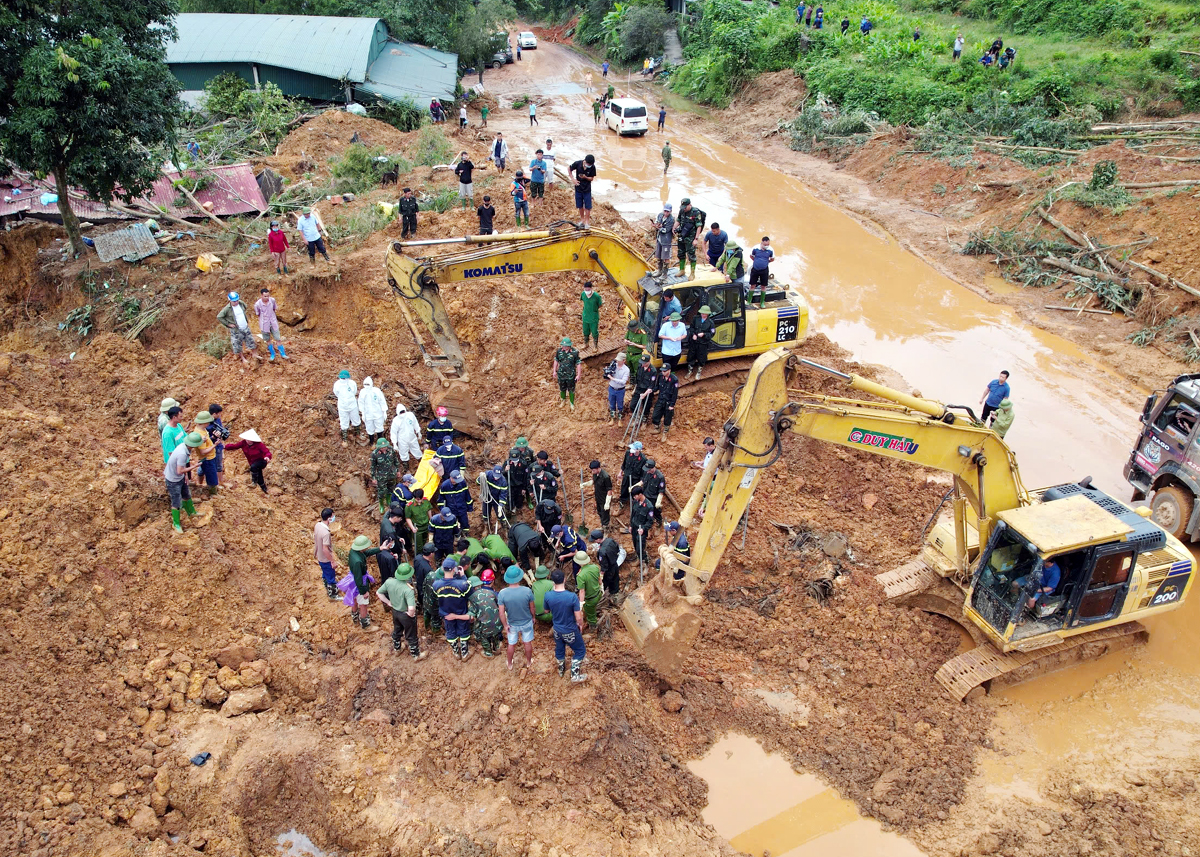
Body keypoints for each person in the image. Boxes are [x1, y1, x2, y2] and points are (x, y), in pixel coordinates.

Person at [544, 570, 588, 681]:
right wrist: (580, 625)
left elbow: (546, 611)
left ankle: (561, 670)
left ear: (552, 581)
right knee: (580, 650)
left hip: (557, 630)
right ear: (564, 579)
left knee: (560, 649)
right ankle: (574, 674)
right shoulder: (572, 597)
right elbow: (578, 617)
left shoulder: (548, 595)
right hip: (570, 629)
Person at [378, 563, 426, 660]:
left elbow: (378, 593)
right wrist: (410, 615)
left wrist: (388, 602)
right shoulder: (408, 590)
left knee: (397, 630)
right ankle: (416, 655)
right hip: (405, 614)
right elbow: (411, 608)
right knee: (411, 635)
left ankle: (397, 649)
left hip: (395, 612)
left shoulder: (389, 582)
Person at [497, 565, 536, 669]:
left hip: (512, 623)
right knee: (527, 643)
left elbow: (501, 613)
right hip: (526, 622)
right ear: (519, 577)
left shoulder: (502, 593)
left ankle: (509, 664)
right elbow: (532, 607)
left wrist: (505, 625)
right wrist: (533, 617)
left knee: (511, 644)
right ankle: (528, 662)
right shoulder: (527, 591)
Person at [434, 559, 474, 659]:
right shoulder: (462, 584)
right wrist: (463, 576)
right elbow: (471, 593)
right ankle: (464, 654)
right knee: (463, 631)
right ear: (453, 570)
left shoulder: (436, 585)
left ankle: (456, 652)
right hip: (461, 613)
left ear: (443, 569)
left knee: (450, 632)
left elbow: (436, 597)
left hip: (446, 614)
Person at [165, 432, 202, 534]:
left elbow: (181, 468)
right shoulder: (182, 453)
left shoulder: (184, 447)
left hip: (180, 476)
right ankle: (176, 523)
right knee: (176, 501)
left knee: (186, 494)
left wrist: (185, 475)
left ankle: (191, 512)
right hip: (173, 479)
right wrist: (194, 467)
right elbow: (179, 470)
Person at [218, 291, 261, 367]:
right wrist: (228, 324)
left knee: (250, 340)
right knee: (238, 344)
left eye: (237, 300)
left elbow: (245, 307)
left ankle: (254, 354)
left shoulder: (241, 303)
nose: (236, 302)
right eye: (234, 301)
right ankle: (243, 358)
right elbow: (219, 317)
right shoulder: (227, 309)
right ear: (230, 301)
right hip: (236, 330)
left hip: (245, 327)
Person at [224, 428, 272, 494]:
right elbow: (235, 446)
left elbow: (266, 452)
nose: (248, 440)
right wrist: (225, 446)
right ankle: (264, 489)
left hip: (261, 461)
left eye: (249, 439)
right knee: (259, 475)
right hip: (252, 462)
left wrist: (267, 457)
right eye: (247, 439)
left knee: (254, 467)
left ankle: (254, 482)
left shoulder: (259, 445)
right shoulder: (243, 443)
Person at [467, 571, 503, 657]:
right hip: (497, 623)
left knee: (483, 637)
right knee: (495, 635)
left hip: (485, 627)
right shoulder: (491, 592)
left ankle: (488, 653)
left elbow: (471, 617)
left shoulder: (472, 598)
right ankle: (496, 648)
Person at [673, 198, 706, 280]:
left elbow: (699, 226)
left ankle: (692, 273)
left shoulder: (695, 212)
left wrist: (696, 239)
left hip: (691, 237)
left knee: (691, 256)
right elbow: (678, 220)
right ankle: (682, 270)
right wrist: (674, 228)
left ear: (689, 205)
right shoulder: (682, 210)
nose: (684, 208)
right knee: (681, 253)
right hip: (682, 235)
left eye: (685, 207)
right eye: (683, 207)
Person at [253, 288, 289, 361]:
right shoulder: (257, 304)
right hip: (264, 324)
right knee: (268, 340)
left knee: (278, 338)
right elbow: (258, 314)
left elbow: (274, 309)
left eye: (268, 296)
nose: (267, 298)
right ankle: (272, 354)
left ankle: (283, 354)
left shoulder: (272, 300)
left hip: (273, 322)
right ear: (261, 296)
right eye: (265, 296)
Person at [190, 411, 220, 494]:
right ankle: (213, 494)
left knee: (211, 474)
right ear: (205, 422)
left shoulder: (202, 430)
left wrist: (213, 437)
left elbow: (206, 441)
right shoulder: (199, 434)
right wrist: (215, 445)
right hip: (207, 459)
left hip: (210, 457)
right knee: (212, 477)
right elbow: (203, 451)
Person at [368, 438, 401, 513]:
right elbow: (373, 467)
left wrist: (398, 470)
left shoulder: (391, 450)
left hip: (392, 474)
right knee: (382, 491)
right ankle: (381, 504)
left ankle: (388, 500)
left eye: (385, 446)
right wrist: (373, 477)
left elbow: (395, 460)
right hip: (381, 476)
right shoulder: (374, 454)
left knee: (391, 488)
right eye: (382, 447)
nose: (384, 448)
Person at [313, 508, 340, 599]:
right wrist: (332, 561)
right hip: (325, 559)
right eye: (332, 516)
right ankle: (333, 595)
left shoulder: (317, 525)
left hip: (319, 556)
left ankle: (326, 585)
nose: (334, 518)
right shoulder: (326, 533)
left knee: (325, 573)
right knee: (331, 576)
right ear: (329, 518)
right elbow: (325, 549)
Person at [686, 305, 716, 381]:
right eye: (702, 313)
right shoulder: (696, 318)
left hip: (703, 344)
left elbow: (712, 334)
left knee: (702, 358)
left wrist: (704, 334)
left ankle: (699, 372)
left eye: (705, 313)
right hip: (694, 342)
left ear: (708, 314)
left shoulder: (710, 323)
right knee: (691, 356)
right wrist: (693, 334)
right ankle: (690, 371)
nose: (703, 315)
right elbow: (691, 328)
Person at [650, 364, 680, 439]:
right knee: (655, 415)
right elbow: (657, 387)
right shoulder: (660, 376)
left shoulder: (674, 380)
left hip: (668, 401)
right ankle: (657, 428)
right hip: (660, 399)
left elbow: (674, 394)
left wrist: (672, 405)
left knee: (667, 418)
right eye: (662, 371)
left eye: (665, 371)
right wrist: (651, 390)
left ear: (669, 370)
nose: (663, 372)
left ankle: (665, 432)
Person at [333, 369, 362, 446]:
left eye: (344, 378)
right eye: (342, 378)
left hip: (352, 405)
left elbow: (354, 392)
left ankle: (358, 434)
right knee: (344, 422)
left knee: (356, 419)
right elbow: (336, 393)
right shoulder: (337, 385)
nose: (343, 380)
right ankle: (345, 439)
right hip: (342, 406)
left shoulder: (352, 383)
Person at [553, 336, 582, 411]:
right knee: (562, 388)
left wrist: (578, 375)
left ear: (569, 346)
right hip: (561, 374)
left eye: (566, 346)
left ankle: (571, 403)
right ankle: (563, 400)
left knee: (571, 389)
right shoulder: (559, 351)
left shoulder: (574, 352)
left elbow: (578, 363)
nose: (564, 347)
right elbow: (556, 361)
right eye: (563, 345)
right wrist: (554, 371)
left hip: (571, 375)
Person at [389, 403, 422, 467]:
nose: (402, 414)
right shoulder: (396, 420)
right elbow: (393, 432)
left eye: (403, 411)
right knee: (403, 453)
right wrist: (394, 443)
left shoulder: (410, 415)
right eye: (401, 412)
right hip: (402, 440)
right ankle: (405, 465)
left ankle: (420, 462)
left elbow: (415, 423)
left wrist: (418, 432)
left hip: (412, 437)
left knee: (416, 449)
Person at [574, 551, 602, 628]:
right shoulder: (595, 567)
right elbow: (599, 580)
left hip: (590, 599)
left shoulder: (580, 576)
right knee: (593, 609)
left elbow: (582, 591)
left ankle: (593, 627)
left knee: (591, 615)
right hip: (598, 593)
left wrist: (581, 604)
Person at [590, 528, 622, 594]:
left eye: (595, 540)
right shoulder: (610, 540)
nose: (595, 541)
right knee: (615, 580)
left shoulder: (602, 551)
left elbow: (604, 565)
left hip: (609, 569)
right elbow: (617, 549)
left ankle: (601, 594)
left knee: (605, 582)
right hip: (615, 564)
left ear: (598, 539)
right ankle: (614, 593)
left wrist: (601, 574)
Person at [569, 154, 597, 227]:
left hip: (587, 189)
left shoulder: (592, 167)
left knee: (588, 206)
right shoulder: (578, 163)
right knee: (580, 205)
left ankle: (587, 222)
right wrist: (573, 179)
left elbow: (591, 178)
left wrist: (585, 177)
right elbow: (569, 168)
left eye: (590, 164)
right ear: (584, 161)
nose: (589, 165)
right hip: (578, 188)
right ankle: (582, 220)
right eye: (588, 164)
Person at [629, 485, 654, 564]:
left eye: (635, 496)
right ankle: (638, 559)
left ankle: (645, 562)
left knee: (640, 547)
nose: (634, 497)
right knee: (635, 544)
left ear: (640, 494)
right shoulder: (635, 502)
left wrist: (643, 529)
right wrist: (630, 525)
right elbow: (633, 514)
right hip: (634, 527)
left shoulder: (649, 506)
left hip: (641, 530)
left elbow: (650, 521)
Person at [358, 377, 387, 444]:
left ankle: (380, 442)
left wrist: (384, 411)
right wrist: (362, 413)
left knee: (379, 426)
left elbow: (382, 401)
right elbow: (361, 403)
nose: (367, 386)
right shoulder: (362, 392)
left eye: (368, 384)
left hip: (378, 413)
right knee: (369, 428)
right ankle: (371, 442)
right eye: (365, 384)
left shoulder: (376, 391)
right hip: (368, 414)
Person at [618, 440, 647, 508]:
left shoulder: (643, 459)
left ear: (638, 450)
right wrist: (620, 472)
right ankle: (622, 502)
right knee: (624, 489)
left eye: (634, 448)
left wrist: (640, 482)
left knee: (634, 492)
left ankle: (634, 504)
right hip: (627, 475)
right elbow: (624, 464)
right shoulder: (628, 453)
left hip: (635, 479)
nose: (632, 450)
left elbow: (643, 473)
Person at [405, 487, 433, 557]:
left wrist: (431, 520)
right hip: (417, 528)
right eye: (417, 499)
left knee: (424, 541)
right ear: (414, 497)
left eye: (421, 499)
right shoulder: (409, 506)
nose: (419, 501)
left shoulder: (426, 501)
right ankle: (419, 558)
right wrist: (412, 528)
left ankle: (424, 555)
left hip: (426, 525)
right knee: (418, 546)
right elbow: (408, 518)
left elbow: (429, 510)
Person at [481, 464, 509, 531]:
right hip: (487, 498)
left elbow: (503, 494)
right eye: (495, 476)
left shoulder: (503, 482)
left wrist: (501, 505)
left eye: (498, 476)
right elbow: (478, 482)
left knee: (501, 515)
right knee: (485, 513)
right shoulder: (488, 474)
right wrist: (481, 477)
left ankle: (504, 528)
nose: (496, 478)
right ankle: (486, 527)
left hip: (496, 500)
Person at [749, 236, 774, 307]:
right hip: (755, 269)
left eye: (768, 245)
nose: (766, 246)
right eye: (765, 245)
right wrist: (757, 261)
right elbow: (751, 256)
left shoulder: (771, 250)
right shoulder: (755, 248)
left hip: (764, 270)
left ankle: (762, 302)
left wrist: (766, 262)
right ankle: (749, 301)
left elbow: (772, 259)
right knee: (752, 285)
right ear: (762, 243)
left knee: (763, 286)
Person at [605, 352, 630, 424]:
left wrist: (613, 379)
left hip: (620, 390)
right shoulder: (613, 365)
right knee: (612, 404)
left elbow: (623, 381)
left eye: (619, 360)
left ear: (624, 360)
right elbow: (608, 374)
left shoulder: (626, 370)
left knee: (620, 405)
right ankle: (612, 418)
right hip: (612, 388)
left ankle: (620, 420)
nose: (617, 361)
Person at [641, 457, 666, 522]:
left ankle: (658, 521)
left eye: (649, 470)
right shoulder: (646, 472)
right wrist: (634, 486)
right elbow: (643, 481)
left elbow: (661, 491)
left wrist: (658, 501)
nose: (647, 471)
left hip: (653, 498)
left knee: (655, 511)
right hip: (645, 495)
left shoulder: (660, 477)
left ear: (653, 468)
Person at [652, 204, 675, 276]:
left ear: (670, 211)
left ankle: (664, 274)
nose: (666, 213)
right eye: (665, 211)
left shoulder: (671, 220)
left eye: (667, 211)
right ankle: (659, 271)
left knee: (666, 257)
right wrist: (656, 224)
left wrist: (658, 227)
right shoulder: (660, 215)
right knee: (658, 256)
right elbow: (657, 221)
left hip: (666, 240)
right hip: (659, 239)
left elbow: (666, 230)